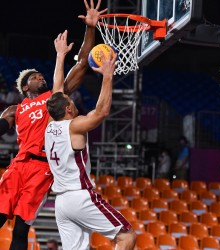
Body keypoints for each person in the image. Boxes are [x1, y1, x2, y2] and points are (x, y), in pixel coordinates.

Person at [0, 1, 107, 249]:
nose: (41, 77)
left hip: (42, 169)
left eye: (41, 74)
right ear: (25, 86)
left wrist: (90, 29)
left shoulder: (55, 99)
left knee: (21, 229)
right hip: (18, 165)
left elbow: (81, 64)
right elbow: (3, 125)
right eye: (35, 77)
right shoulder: (15, 109)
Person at [44, 51, 136, 250]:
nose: (75, 105)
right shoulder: (74, 126)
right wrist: (108, 76)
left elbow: (57, 91)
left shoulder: (50, 125)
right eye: (72, 103)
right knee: (126, 236)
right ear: (68, 109)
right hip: (79, 196)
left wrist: (60, 57)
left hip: (61, 203)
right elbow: (102, 111)